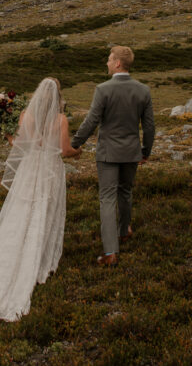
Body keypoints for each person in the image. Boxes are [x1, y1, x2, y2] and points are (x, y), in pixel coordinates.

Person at [0, 77, 81, 321]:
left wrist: (5, 134)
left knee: (22, 211)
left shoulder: (25, 116)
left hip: (29, 169)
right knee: (44, 211)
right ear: (58, 97)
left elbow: (19, 144)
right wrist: (78, 151)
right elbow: (65, 151)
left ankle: (15, 252)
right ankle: (39, 260)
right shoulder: (60, 120)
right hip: (48, 170)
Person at [72, 45, 155, 267]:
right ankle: (123, 230)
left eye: (109, 59)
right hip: (131, 151)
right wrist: (145, 151)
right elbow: (148, 127)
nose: (107, 63)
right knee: (126, 191)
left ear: (118, 63)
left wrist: (74, 144)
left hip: (108, 153)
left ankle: (110, 252)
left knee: (107, 199)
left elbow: (91, 121)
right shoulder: (143, 90)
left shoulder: (103, 89)